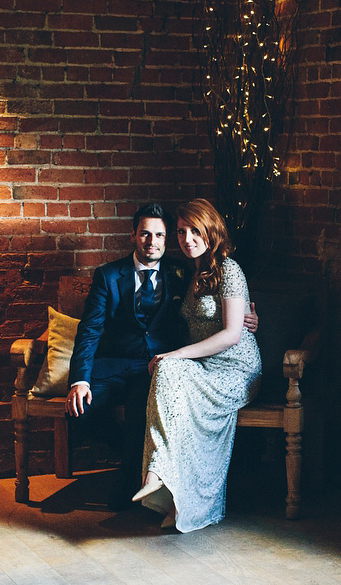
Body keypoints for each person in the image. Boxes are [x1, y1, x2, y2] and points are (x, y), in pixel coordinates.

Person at [65, 203, 256, 508]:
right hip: (114, 364)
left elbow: (220, 304)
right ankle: (129, 461)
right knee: (79, 410)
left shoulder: (181, 272)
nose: (152, 242)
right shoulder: (108, 275)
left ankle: (130, 482)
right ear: (133, 236)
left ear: (166, 240)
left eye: (160, 235)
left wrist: (248, 317)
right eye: (145, 234)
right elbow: (89, 331)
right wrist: (80, 380)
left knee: (143, 409)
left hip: (156, 366)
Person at [132, 198, 262, 532]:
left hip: (237, 371)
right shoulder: (190, 273)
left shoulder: (229, 270)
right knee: (166, 370)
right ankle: (164, 482)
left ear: (211, 230)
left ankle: (166, 482)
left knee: (169, 364)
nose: (187, 238)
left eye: (194, 230)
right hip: (206, 367)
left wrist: (175, 354)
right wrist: (172, 358)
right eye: (180, 231)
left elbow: (233, 334)